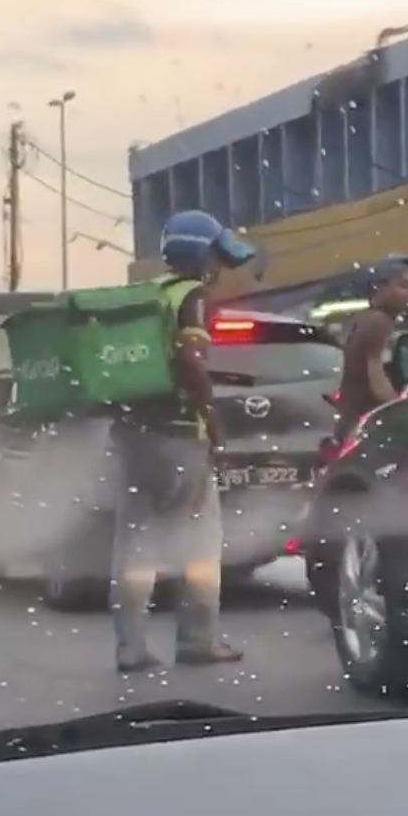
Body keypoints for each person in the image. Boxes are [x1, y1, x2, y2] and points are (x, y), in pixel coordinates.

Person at [113, 210, 256, 673]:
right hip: (179, 436)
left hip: (137, 436)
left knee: (136, 545)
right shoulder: (191, 296)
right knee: (199, 543)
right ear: (203, 257)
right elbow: (192, 363)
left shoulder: (149, 296)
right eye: (217, 255)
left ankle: (130, 647)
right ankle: (197, 641)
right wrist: (212, 423)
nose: (219, 266)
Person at [333, 259, 408, 444]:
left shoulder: (363, 319)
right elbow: (376, 372)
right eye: (403, 286)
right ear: (379, 287)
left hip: (352, 417)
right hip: (368, 420)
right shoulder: (379, 322)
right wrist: (398, 408)